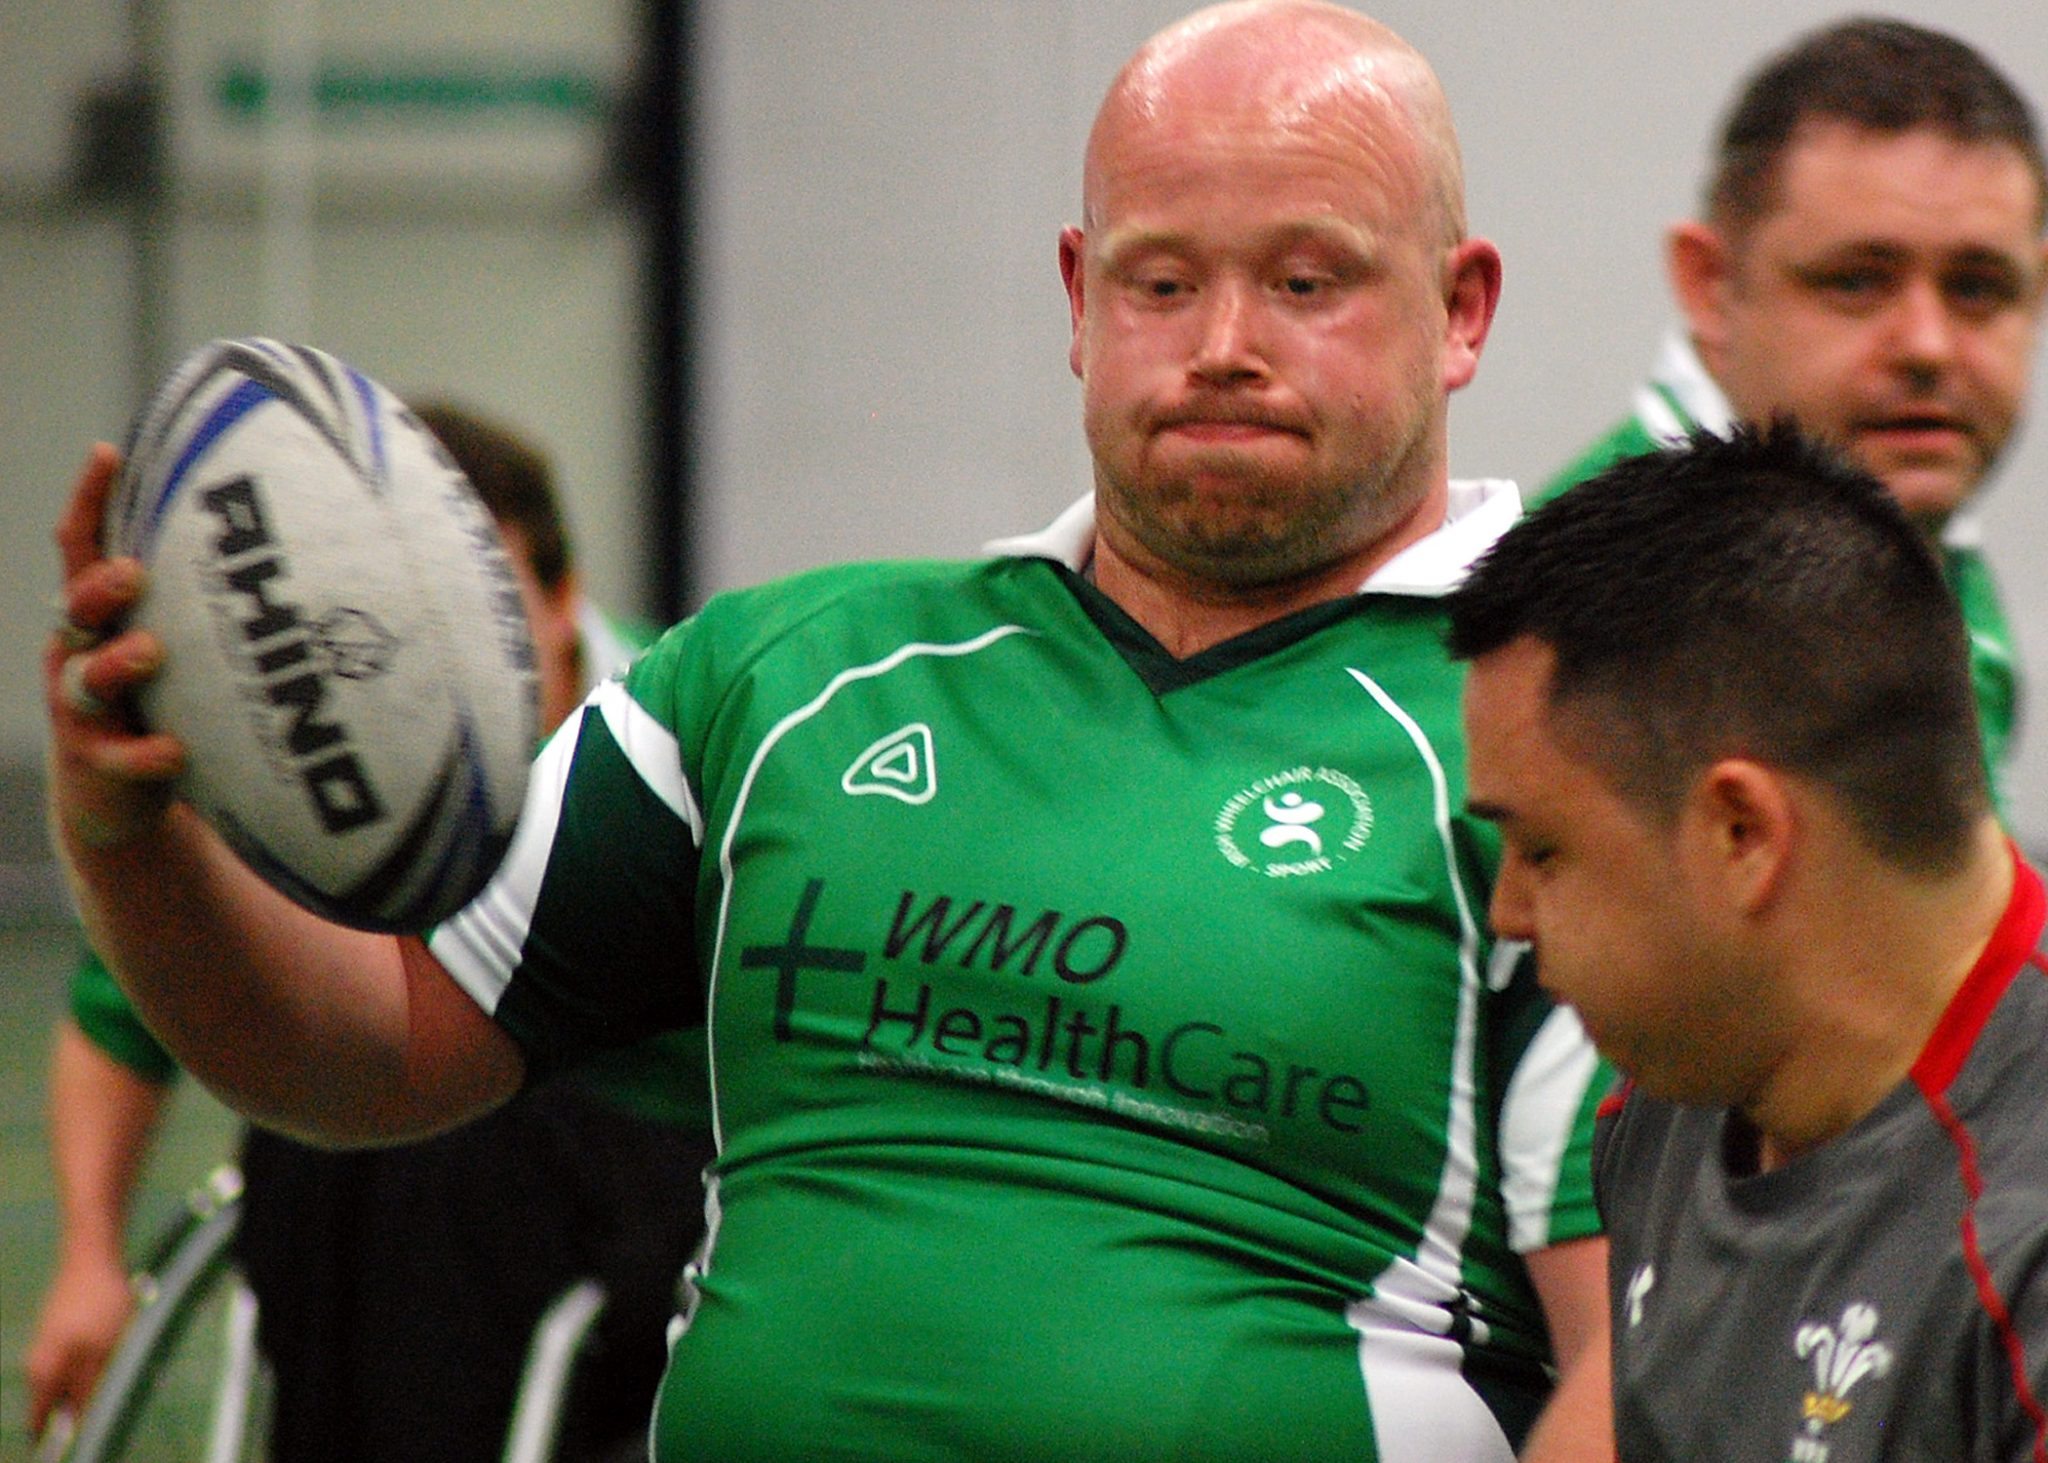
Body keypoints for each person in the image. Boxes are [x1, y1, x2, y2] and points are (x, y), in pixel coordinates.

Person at [42, 4, 1613, 1458]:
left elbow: (1634, 1356)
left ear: (1460, 309)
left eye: (1307, 281)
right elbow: (373, 1046)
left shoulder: (1563, 740)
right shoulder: (788, 679)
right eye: (1161, 281)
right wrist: (130, 830)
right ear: (1080, 299)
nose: (1222, 342)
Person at [25, 401, 713, 1463]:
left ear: (565, 600)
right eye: (403, 618)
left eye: (481, 611)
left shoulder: (678, 740)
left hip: (642, 1165)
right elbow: (118, 1018)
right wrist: (88, 1255)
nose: (443, 659)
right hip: (371, 1159)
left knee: (456, 1136)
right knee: (346, 1129)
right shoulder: (297, 745)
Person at [1448, 422, 2048, 1461]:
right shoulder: (1668, 1101)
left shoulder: (2019, 1245)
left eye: (1540, 849)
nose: (1506, 911)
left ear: (1741, 833)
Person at [1534, 17, 2048, 799]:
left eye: (1978, 287)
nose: (1928, 345)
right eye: (1857, 281)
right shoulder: (1571, 634)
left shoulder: (1906, 529)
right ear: (1710, 285)